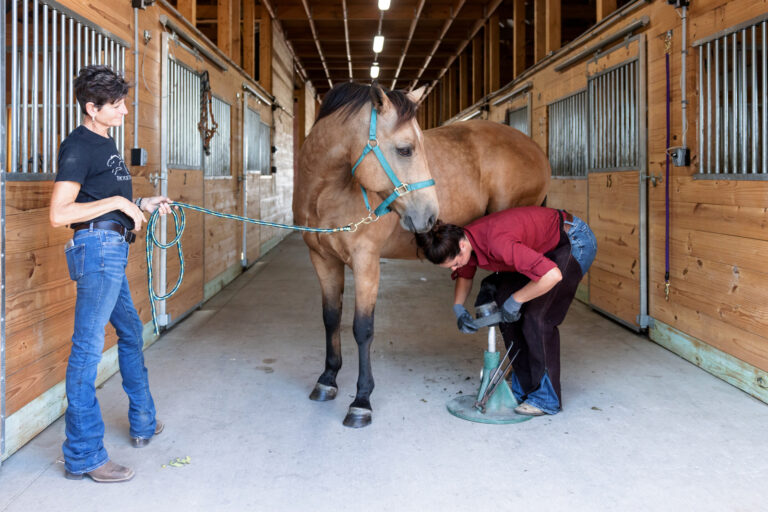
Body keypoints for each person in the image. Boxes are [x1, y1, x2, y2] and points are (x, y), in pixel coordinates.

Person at [49, 65, 173, 483]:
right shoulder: (79, 145)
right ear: (92, 107)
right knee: (86, 352)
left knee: (132, 334)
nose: (123, 112)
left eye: (123, 104)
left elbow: (102, 197)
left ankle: (143, 421)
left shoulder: (106, 140)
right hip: (98, 251)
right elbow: (60, 212)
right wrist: (121, 204)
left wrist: (141, 202)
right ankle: (83, 455)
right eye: (116, 106)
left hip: (113, 249)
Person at [415, 206, 597, 417]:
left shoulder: (497, 243)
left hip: (571, 241)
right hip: (539, 250)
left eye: (454, 264)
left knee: (538, 317)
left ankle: (547, 399)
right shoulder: (464, 241)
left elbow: (552, 276)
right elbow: (465, 274)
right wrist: (458, 307)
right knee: (505, 307)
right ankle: (525, 387)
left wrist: (517, 299)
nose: (454, 269)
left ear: (462, 246)